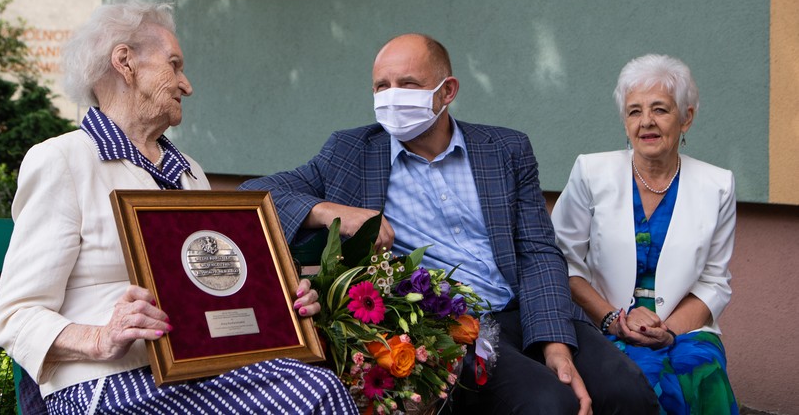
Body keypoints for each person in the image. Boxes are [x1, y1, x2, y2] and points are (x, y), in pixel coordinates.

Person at [240, 33, 658, 415]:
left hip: (523, 304)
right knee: (550, 405)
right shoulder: (350, 151)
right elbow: (251, 193)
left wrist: (554, 343)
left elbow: (537, 252)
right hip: (452, 324)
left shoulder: (505, 149)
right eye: (381, 87)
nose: (391, 96)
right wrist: (332, 212)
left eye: (407, 84)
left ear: (447, 91)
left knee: (628, 392)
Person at [0, 0, 355, 415]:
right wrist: (102, 337)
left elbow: (213, 284)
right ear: (125, 63)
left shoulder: (189, 173)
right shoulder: (64, 159)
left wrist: (278, 304)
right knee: (308, 393)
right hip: (105, 382)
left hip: (197, 371)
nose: (187, 85)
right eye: (175, 65)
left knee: (312, 382)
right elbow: (14, 317)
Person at [551, 54, 738, 414]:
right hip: (601, 323)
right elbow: (562, 260)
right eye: (634, 111)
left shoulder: (718, 185)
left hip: (682, 328)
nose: (646, 122)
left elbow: (714, 281)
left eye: (660, 110)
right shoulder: (591, 172)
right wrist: (613, 319)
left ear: (687, 117)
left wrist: (667, 331)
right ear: (624, 122)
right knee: (638, 378)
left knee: (701, 371)